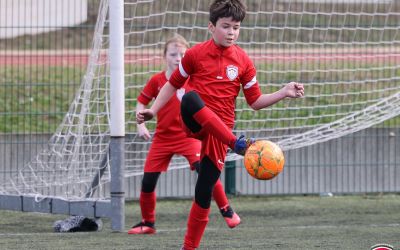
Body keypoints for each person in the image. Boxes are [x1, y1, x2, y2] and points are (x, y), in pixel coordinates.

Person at [136, 0, 305, 248]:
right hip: (195, 123)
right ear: (211, 27)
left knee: (203, 192)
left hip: (220, 132)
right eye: (226, 26)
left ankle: (189, 247)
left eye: (236, 28)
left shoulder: (244, 62)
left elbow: (255, 101)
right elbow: (172, 83)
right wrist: (152, 110)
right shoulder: (194, 54)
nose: (231, 32)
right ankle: (237, 144)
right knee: (191, 98)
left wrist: (283, 92)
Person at [128, 34, 241, 235]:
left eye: (182, 54)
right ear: (164, 56)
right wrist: (141, 125)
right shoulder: (157, 81)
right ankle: (148, 222)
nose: (178, 58)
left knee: (206, 172)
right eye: (173, 54)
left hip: (189, 137)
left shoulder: (193, 79)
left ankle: (227, 210)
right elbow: (141, 101)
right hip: (162, 138)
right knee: (147, 181)